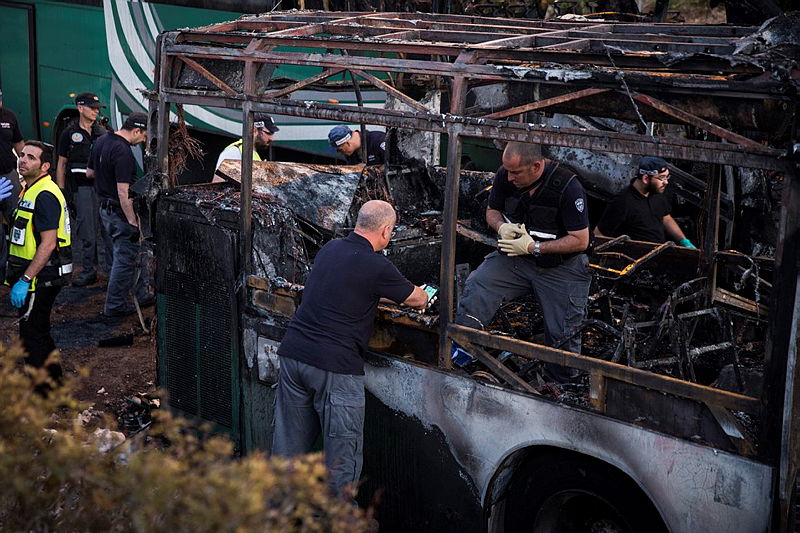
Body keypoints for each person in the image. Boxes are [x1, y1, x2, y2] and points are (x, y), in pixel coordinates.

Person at [272, 200, 428, 495]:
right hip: (335, 367)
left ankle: (274, 513)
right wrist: (420, 293)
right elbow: (418, 299)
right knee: (341, 461)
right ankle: (337, 517)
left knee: (287, 454)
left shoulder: (330, 249)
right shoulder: (377, 265)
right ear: (386, 231)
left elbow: (351, 286)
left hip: (293, 356)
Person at [454, 142, 592, 381]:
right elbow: (492, 210)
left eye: (516, 172)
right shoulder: (505, 175)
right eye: (507, 171)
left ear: (536, 166)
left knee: (563, 334)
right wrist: (501, 227)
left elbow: (580, 240)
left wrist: (534, 247)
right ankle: (461, 352)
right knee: (479, 283)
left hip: (561, 267)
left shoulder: (568, 186)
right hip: (517, 260)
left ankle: (562, 385)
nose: (509, 177)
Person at [6, 141, 72, 386]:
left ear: (45, 166)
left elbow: (48, 243)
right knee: (37, 333)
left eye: (31, 158)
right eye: (22, 155)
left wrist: (25, 279)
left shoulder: (44, 195)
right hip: (34, 275)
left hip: (40, 278)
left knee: (32, 337)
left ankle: (45, 395)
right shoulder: (31, 189)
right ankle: (53, 389)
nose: (23, 160)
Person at [87, 112, 152, 317]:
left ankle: (141, 294)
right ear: (136, 131)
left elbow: (90, 173)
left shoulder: (101, 140)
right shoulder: (123, 151)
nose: (143, 141)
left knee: (120, 254)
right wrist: (132, 222)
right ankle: (114, 306)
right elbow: (123, 192)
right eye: (144, 136)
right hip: (118, 211)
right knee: (124, 259)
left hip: (104, 208)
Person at [56, 92, 113, 286]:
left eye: (98, 108)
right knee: (87, 233)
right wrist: (62, 192)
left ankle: (112, 272)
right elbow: (61, 164)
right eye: (92, 108)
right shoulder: (69, 134)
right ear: (80, 108)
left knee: (108, 232)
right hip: (81, 189)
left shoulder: (103, 133)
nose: (96, 111)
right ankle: (89, 271)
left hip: (103, 189)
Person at [594, 156, 696, 248]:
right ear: (646, 178)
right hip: (636, 259)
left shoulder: (657, 193)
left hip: (658, 254)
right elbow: (599, 235)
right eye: (661, 178)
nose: (666, 182)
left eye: (667, 177)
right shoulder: (622, 202)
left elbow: (665, 217)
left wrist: (683, 241)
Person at [0, 88, 25, 276]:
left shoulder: (9, 117)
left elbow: (19, 144)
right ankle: (1, 268)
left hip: (8, 175)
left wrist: (27, 165)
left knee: (17, 218)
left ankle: (18, 263)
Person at [213, 113, 279, 178]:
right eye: (268, 133)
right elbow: (218, 181)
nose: (271, 138)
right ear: (254, 131)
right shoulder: (235, 151)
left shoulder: (254, 154)